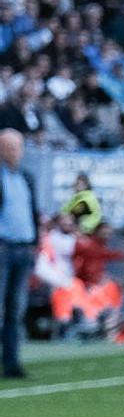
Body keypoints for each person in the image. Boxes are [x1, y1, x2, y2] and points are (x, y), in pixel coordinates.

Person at [0, 129, 40, 378]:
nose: (14, 152)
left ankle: (12, 362)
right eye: (9, 147)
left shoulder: (26, 177)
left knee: (15, 309)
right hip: (3, 248)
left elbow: (32, 211)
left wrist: (36, 241)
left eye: (18, 147)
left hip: (23, 249)